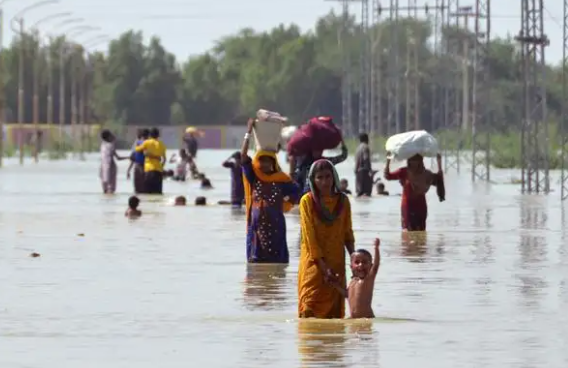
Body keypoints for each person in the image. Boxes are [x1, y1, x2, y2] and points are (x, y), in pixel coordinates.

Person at [298, 159, 355, 319]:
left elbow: (348, 234)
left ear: (334, 177)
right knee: (309, 310)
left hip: (336, 264)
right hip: (314, 267)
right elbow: (310, 239)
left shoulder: (343, 201)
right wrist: (323, 268)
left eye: (328, 176)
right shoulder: (307, 202)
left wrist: (354, 260)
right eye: (320, 177)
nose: (324, 181)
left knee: (334, 318)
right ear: (313, 180)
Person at [242, 118, 300, 264]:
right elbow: (243, 157)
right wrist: (248, 132)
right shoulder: (254, 178)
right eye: (261, 161)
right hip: (257, 229)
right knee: (257, 267)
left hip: (276, 228)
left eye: (268, 161)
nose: (264, 164)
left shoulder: (280, 180)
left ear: (273, 163)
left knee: (277, 265)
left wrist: (285, 203)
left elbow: (297, 192)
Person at [384, 153, 445, 231]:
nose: (414, 162)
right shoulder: (404, 172)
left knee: (421, 233)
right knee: (407, 232)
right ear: (409, 161)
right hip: (408, 207)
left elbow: (439, 180)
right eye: (412, 160)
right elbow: (388, 176)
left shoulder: (426, 174)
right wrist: (388, 160)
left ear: (421, 161)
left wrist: (439, 163)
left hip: (421, 207)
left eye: (417, 160)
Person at [346, 238, 381, 319]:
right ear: (351, 266)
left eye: (364, 262)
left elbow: (376, 266)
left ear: (370, 266)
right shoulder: (353, 281)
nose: (360, 265)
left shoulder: (368, 279)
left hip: (367, 319)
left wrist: (376, 248)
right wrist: (334, 284)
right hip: (354, 320)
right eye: (357, 262)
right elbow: (347, 294)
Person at [135, 127, 167, 194]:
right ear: (158, 135)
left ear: (150, 135)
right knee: (158, 193)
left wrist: (145, 151)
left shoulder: (147, 142)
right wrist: (161, 166)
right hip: (158, 171)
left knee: (148, 193)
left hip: (149, 170)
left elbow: (137, 149)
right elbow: (164, 159)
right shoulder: (162, 144)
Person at [99, 129, 128, 194]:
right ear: (108, 137)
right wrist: (129, 157)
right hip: (110, 167)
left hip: (103, 168)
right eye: (111, 135)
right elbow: (118, 158)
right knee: (111, 189)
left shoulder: (103, 145)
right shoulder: (111, 145)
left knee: (105, 189)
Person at [127, 128, 149, 193]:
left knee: (137, 190)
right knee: (145, 189)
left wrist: (128, 170)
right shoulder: (148, 143)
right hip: (145, 167)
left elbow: (132, 158)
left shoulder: (136, 143)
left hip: (137, 167)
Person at [355, 133, 373, 197]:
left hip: (358, 172)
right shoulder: (366, 147)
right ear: (367, 139)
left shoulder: (358, 148)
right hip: (365, 171)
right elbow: (366, 158)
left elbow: (356, 162)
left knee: (359, 193)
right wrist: (370, 170)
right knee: (366, 194)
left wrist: (356, 171)